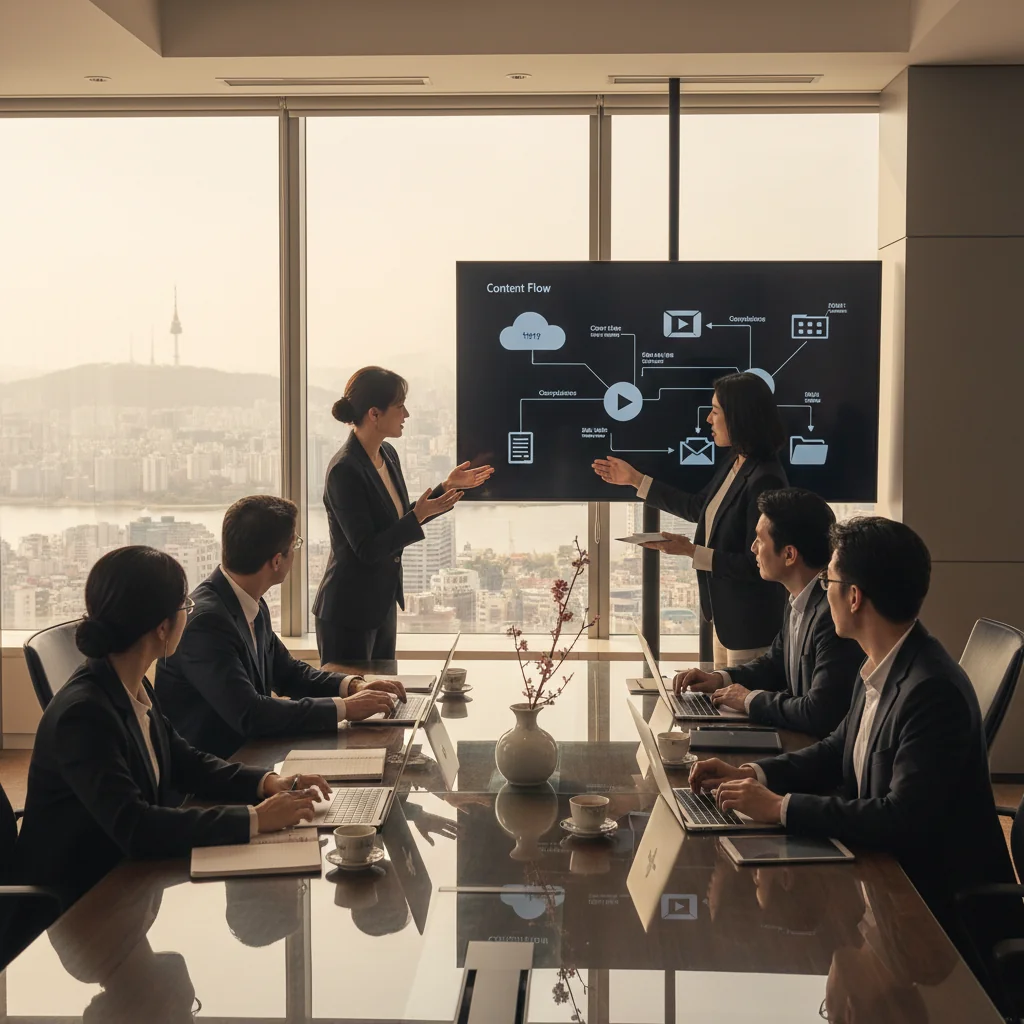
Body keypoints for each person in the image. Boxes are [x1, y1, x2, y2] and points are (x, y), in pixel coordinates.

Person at [688, 516, 1016, 963]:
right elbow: (837, 749)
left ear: (855, 597)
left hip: (933, 923)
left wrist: (779, 808)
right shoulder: (881, 663)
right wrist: (754, 774)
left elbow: (900, 819)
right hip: (884, 887)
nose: (824, 591)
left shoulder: (930, 690)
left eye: (829, 581)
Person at [15, 546, 332, 907]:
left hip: (124, 877)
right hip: (76, 902)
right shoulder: (83, 715)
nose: (190, 612)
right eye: (185, 605)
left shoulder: (130, 682)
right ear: (163, 627)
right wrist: (254, 819)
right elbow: (137, 827)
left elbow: (184, 760)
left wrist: (266, 782)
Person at [156, 495, 402, 759]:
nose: (296, 550)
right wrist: (344, 709)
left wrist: (354, 686)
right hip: (209, 783)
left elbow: (288, 673)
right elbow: (251, 714)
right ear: (276, 561)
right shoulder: (206, 623)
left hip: (250, 760)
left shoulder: (249, 602)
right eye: (294, 544)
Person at [593, 371, 787, 667]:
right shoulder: (736, 462)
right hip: (726, 623)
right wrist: (635, 480)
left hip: (750, 627)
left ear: (739, 417)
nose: (709, 419)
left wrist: (690, 551)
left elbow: (755, 565)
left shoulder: (765, 479)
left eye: (716, 411)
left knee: (742, 706)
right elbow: (700, 507)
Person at [313, 366, 493, 662]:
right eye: (399, 406)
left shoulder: (387, 455)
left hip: (381, 605)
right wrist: (416, 518)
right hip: (348, 613)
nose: (406, 414)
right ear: (374, 414)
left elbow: (398, 521)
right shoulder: (344, 470)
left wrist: (446, 487)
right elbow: (367, 548)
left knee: (384, 701)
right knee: (357, 703)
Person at [673, 488, 863, 737]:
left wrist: (749, 700)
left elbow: (819, 713)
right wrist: (719, 679)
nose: (752, 548)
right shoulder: (797, 596)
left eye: (760, 540)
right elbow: (775, 664)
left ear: (789, 554)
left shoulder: (832, 614)